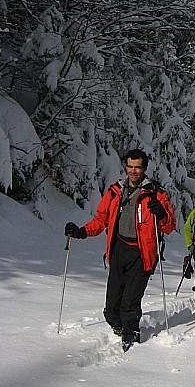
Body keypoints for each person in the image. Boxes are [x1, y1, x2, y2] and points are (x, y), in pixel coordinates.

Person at [64, 148, 176, 352]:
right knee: (111, 306)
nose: (133, 171)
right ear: (126, 167)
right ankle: (119, 327)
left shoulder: (157, 194)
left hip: (142, 254)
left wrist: (161, 214)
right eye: (130, 167)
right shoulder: (115, 191)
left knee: (130, 302)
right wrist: (81, 231)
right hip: (118, 250)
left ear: (144, 169)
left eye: (138, 167)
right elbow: (101, 220)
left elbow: (169, 226)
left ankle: (131, 338)